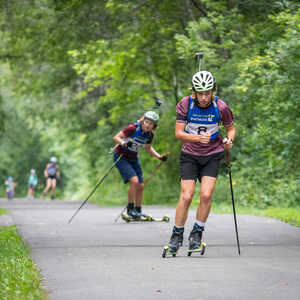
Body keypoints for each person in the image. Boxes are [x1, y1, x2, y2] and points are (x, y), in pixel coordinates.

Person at [166, 70, 236, 254]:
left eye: (207, 93)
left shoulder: (220, 107)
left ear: (213, 91)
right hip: (190, 155)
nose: (204, 97)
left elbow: (231, 129)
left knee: (206, 195)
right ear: (194, 92)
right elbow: (179, 134)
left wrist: (229, 140)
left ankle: (196, 234)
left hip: (212, 154)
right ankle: (177, 235)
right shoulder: (185, 104)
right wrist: (198, 139)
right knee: (187, 195)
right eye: (200, 93)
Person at [113, 111, 168, 219]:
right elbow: (116, 137)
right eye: (146, 122)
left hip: (133, 158)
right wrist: (124, 143)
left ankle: (138, 211)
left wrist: (159, 157)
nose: (147, 125)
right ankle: (130, 210)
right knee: (134, 181)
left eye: (150, 124)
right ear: (143, 121)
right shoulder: (132, 128)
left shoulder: (150, 135)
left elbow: (148, 148)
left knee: (141, 186)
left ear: (154, 126)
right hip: (121, 157)